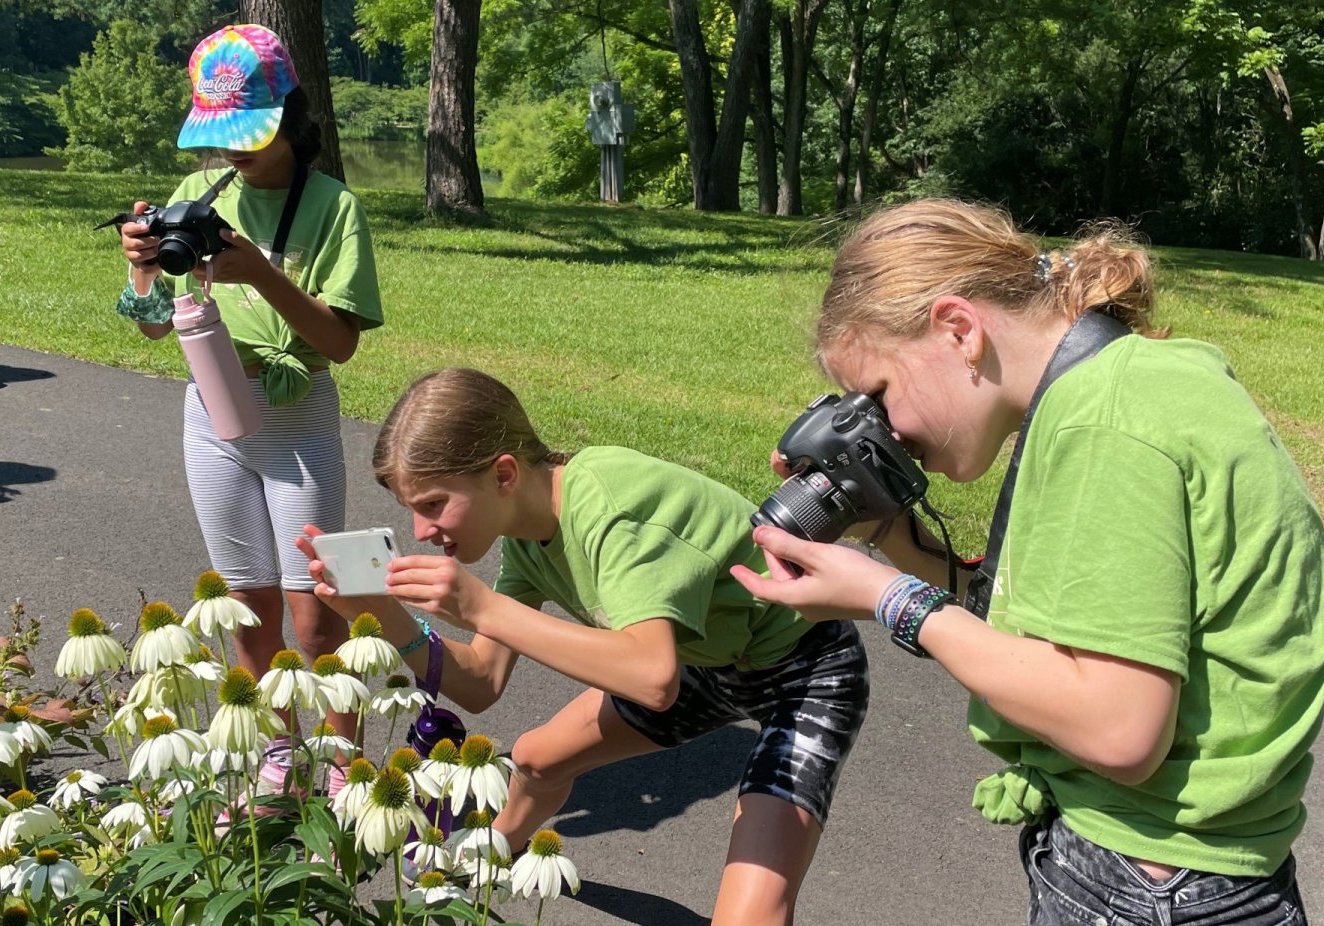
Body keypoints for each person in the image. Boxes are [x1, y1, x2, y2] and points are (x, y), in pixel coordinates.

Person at [731, 199, 1324, 924]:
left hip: (1150, 884)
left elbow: (1118, 729)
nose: (887, 432)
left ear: (959, 328)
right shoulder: (1129, 383)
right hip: (1191, 869)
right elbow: (1058, 626)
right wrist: (889, 538)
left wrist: (890, 599)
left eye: (882, 396)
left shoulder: (1103, 426)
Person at [296, 367, 870, 926]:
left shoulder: (609, 508)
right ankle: (494, 851)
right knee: (536, 758)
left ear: (502, 475)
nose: (422, 531)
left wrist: (482, 607)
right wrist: (385, 617)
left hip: (807, 669)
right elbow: (480, 682)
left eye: (433, 504)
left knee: (750, 914)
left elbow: (651, 677)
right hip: (709, 661)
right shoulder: (528, 538)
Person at [114, 24, 382, 790]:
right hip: (213, 414)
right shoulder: (199, 198)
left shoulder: (334, 207)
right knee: (248, 603)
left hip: (297, 425)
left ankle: (343, 758)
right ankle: (279, 751)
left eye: (249, 136)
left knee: (315, 613)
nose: (233, 153)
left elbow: (339, 343)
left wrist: (257, 273)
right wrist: (140, 273)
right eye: (221, 137)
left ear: (289, 118)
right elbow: (153, 325)